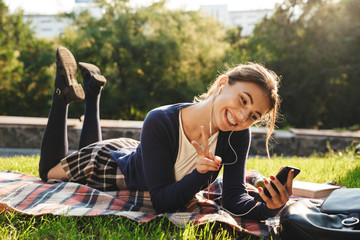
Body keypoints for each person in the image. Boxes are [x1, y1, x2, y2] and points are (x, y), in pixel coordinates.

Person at [39, 46, 294, 220]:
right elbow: (161, 203)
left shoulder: (236, 135)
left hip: (143, 153)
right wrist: (199, 174)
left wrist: (270, 208)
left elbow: (235, 198)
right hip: (109, 164)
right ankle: (61, 92)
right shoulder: (160, 119)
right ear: (222, 84)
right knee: (48, 172)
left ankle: (93, 91)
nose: (241, 116)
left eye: (253, 116)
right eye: (243, 100)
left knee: (82, 150)